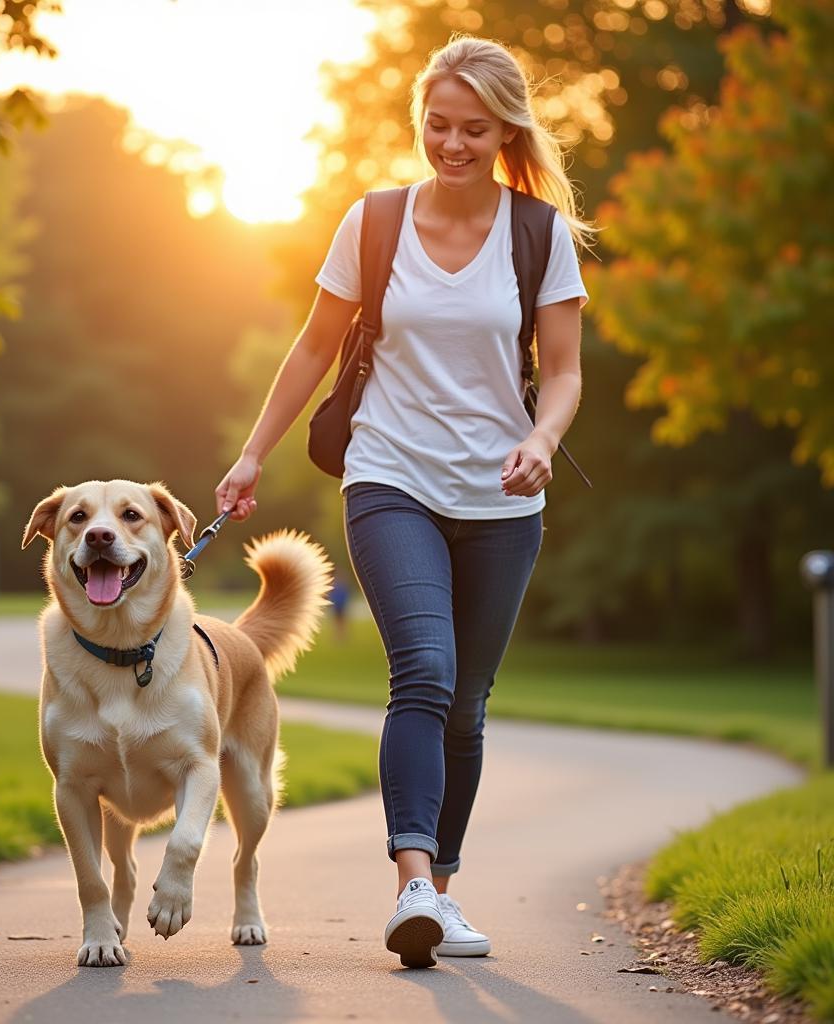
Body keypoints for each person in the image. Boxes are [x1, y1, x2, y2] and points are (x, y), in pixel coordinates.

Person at [215, 35, 594, 969]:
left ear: (506, 130)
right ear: (419, 121)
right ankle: (413, 886)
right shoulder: (374, 221)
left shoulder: (537, 234)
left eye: (473, 129)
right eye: (437, 125)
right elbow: (313, 348)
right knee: (423, 668)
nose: (452, 144)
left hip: (502, 501)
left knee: (465, 702)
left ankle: (443, 893)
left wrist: (541, 441)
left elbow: (567, 372)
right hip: (391, 478)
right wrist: (252, 454)